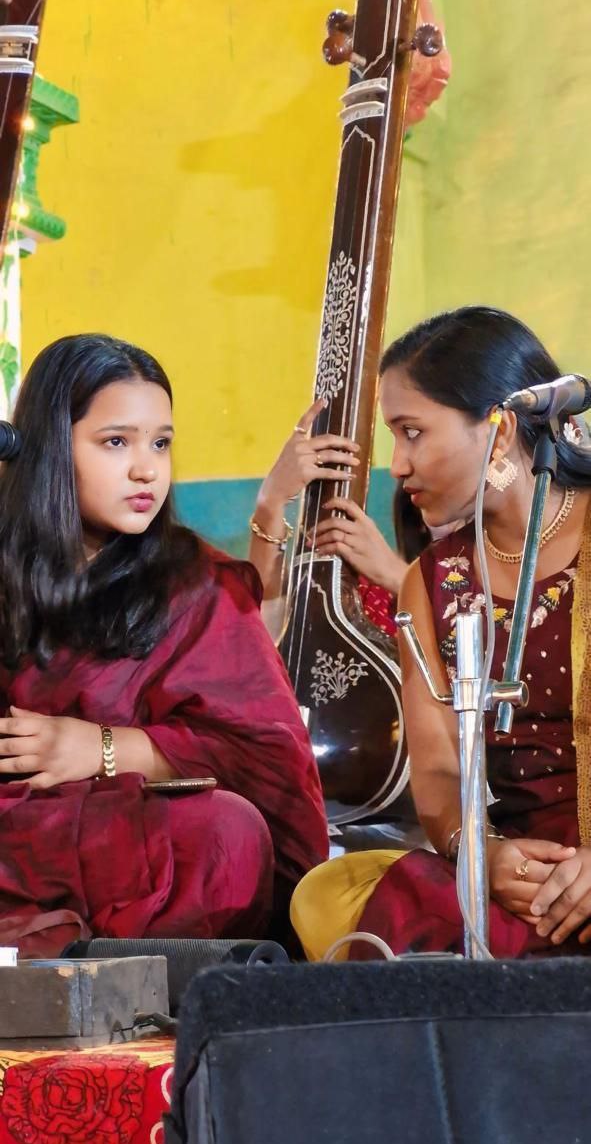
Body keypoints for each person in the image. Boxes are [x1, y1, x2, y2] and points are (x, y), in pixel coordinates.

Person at [0, 334, 328, 956]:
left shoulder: (198, 587)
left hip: (136, 840)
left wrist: (100, 750)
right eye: (116, 442)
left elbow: (267, 759)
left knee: (226, 835)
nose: (147, 468)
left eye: (161, 443)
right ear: (47, 449)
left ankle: (87, 961)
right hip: (25, 832)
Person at [290, 305, 591, 960]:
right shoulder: (430, 580)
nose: (396, 465)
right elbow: (434, 768)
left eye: (412, 432)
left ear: (499, 427)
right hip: (523, 878)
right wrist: (481, 853)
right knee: (329, 891)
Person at [249, 398, 425, 636]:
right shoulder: (364, 592)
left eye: (414, 433)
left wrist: (398, 577)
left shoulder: (487, 575)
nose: (398, 465)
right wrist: (270, 503)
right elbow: (265, 638)